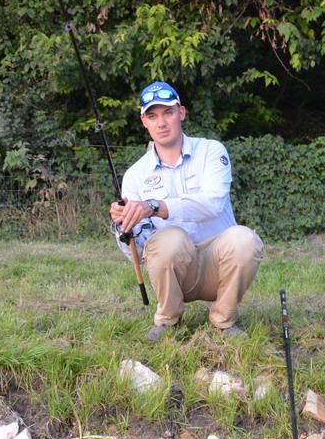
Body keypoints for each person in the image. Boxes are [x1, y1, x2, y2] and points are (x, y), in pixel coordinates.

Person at [110, 82, 264, 344]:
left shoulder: (211, 151)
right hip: (176, 275)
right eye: (152, 116)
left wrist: (155, 206)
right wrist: (123, 228)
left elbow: (212, 203)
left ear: (181, 113)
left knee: (245, 238)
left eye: (168, 113)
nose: (161, 122)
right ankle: (168, 319)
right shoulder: (135, 175)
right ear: (143, 121)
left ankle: (224, 321)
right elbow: (137, 250)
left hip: (219, 264)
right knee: (169, 238)